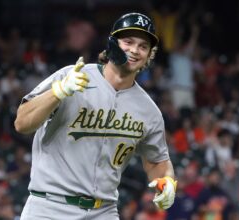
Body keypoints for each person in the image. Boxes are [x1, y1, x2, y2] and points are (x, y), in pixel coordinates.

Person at [15, 12, 177, 219]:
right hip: (49, 206)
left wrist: (168, 182)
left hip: (103, 211)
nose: (135, 50)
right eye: (128, 42)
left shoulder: (149, 110)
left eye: (143, 46)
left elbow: (156, 161)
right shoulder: (73, 76)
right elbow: (22, 123)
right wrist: (58, 92)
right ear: (112, 43)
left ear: (149, 55)